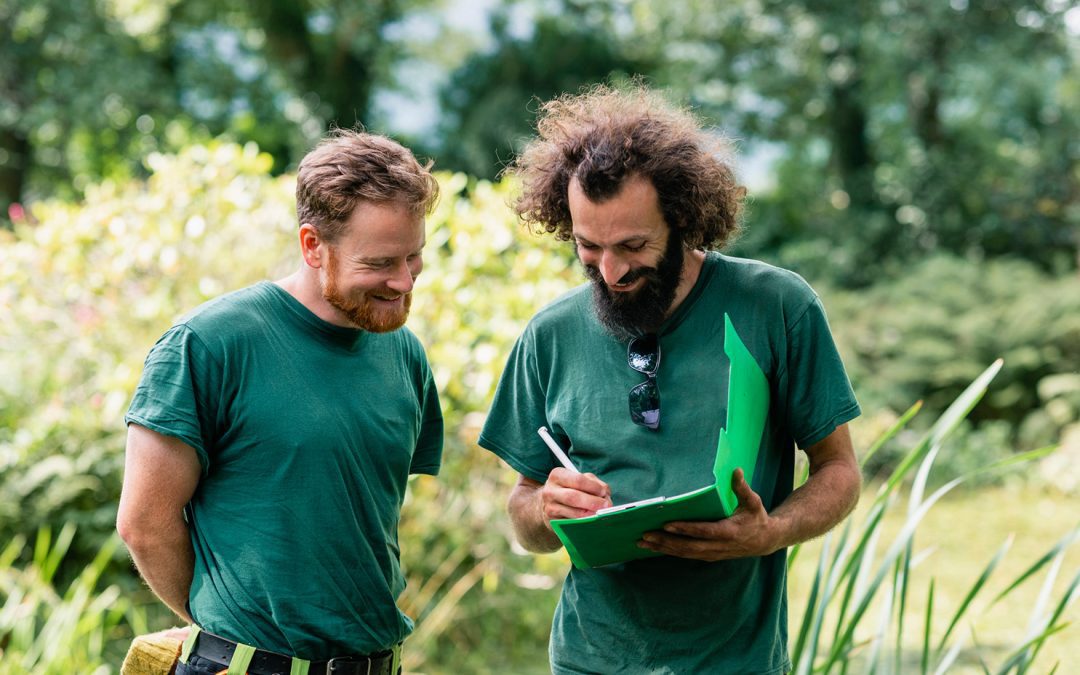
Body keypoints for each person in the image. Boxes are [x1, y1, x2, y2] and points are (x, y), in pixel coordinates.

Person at [478, 85, 862, 674]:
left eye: (633, 245)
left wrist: (770, 532)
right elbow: (525, 511)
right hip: (589, 659)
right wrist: (546, 510)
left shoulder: (777, 306)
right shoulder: (549, 335)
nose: (610, 271)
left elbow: (840, 471)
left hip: (736, 662)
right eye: (588, 246)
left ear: (682, 219)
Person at [116, 129, 444, 675]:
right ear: (313, 245)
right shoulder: (209, 344)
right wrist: (225, 633)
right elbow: (144, 523)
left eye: (415, 257)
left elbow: (351, 517)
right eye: (382, 263)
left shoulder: (403, 352)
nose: (404, 281)